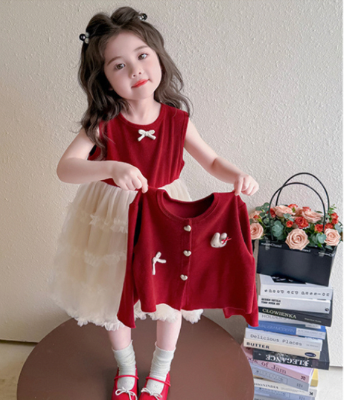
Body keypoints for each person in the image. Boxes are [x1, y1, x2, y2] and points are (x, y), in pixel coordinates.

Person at [49, 6, 259, 400]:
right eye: (119, 65)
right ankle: (126, 367)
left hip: (166, 215)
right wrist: (110, 166)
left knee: (170, 295)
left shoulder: (177, 120)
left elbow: (212, 160)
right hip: (114, 216)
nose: (135, 70)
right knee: (112, 292)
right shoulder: (103, 123)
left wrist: (236, 175)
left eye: (142, 55)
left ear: (158, 56)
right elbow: (66, 168)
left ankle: (161, 370)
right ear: (104, 78)